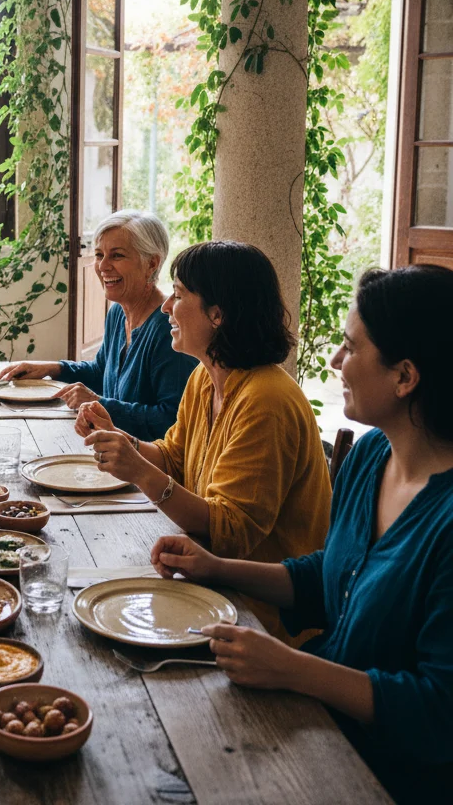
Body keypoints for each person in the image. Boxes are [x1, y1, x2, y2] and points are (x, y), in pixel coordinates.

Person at [148, 266, 453, 804]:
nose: (334, 362)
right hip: (313, 712)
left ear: (405, 377)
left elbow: (437, 710)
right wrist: (213, 566)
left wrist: (294, 668)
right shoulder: (373, 457)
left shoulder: (445, 522)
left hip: (381, 770)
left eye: (349, 347)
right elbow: (328, 576)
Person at [81, 241, 331, 637]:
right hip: (207, 586)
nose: (166, 308)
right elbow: (174, 457)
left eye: (178, 296)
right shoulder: (205, 375)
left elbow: (229, 534)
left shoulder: (266, 400)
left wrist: (140, 472)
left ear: (217, 314)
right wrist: (121, 441)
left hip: (259, 618)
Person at [0, 210, 196, 439]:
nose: (103, 267)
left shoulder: (168, 327)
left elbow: (172, 421)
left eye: (117, 256)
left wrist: (100, 405)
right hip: (109, 448)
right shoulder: (117, 314)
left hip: (143, 464)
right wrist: (53, 368)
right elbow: (102, 371)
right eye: (100, 255)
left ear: (151, 263)